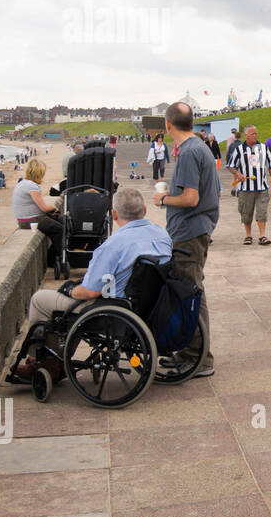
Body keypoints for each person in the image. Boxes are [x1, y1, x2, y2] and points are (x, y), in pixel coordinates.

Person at [23, 187, 171, 325]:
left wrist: (70, 290)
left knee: (39, 300)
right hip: (152, 306)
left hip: (116, 310)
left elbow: (90, 291)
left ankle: (37, 353)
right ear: (144, 210)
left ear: (114, 214)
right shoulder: (162, 235)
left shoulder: (113, 245)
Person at [154, 101, 221, 377]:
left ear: (168, 125)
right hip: (197, 229)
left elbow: (191, 198)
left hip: (189, 233)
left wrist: (164, 199)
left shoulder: (189, 152)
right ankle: (191, 351)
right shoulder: (200, 147)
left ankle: (199, 358)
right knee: (192, 290)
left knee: (191, 292)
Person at [13, 158, 62, 268]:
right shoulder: (32, 186)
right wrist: (53, 208)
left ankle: (57, 256)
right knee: (60, 230)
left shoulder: (22, 183)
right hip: (30, 221)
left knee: (61, 221)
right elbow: (44, 208)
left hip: (26, 219)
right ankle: (52, 259)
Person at [232, 126, 271, 244]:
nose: (255, 135)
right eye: (252, 134)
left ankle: (262, 236)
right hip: (245, 188)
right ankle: (248, 235)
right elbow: (231, 166)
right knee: (246, 212)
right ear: (246, 136)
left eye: (256, 133)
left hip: (262, 187)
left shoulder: (264, 148)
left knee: (262, 212)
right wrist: (238, 174)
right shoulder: (239, 150)